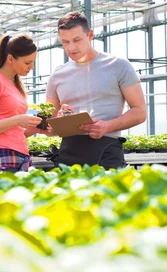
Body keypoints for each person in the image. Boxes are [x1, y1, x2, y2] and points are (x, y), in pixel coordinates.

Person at [45, 11, 146, 169]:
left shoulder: (118, 65)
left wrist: (107, 126)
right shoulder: (57, 75)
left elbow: (140, 112)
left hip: (106, 151)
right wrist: (59, 120)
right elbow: (49, 129)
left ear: (90, 35)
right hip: (68, 153)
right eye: (65, 42)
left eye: (77, 40)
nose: (71, 47)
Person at [0, 34, 48, 172]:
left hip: (18, 155)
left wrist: (33, 129)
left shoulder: (14, 83)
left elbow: (11, 131)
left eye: (33, 62)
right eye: (27, 62)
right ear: (10, 59)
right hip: (0, 155)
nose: (31, 67)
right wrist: (17, 120)